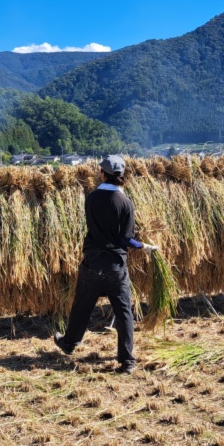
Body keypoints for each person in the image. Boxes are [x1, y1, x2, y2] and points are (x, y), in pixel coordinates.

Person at [54, 154, 157, 374]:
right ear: (121, 176)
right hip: (116, 266)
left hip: (93, 262)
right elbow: (125, 239)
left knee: (82, 305)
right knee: (123, 312)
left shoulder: (91, 198)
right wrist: (143, 247)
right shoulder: (126, 203)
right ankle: (127, 360)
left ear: (103, 174)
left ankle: (70, 343)